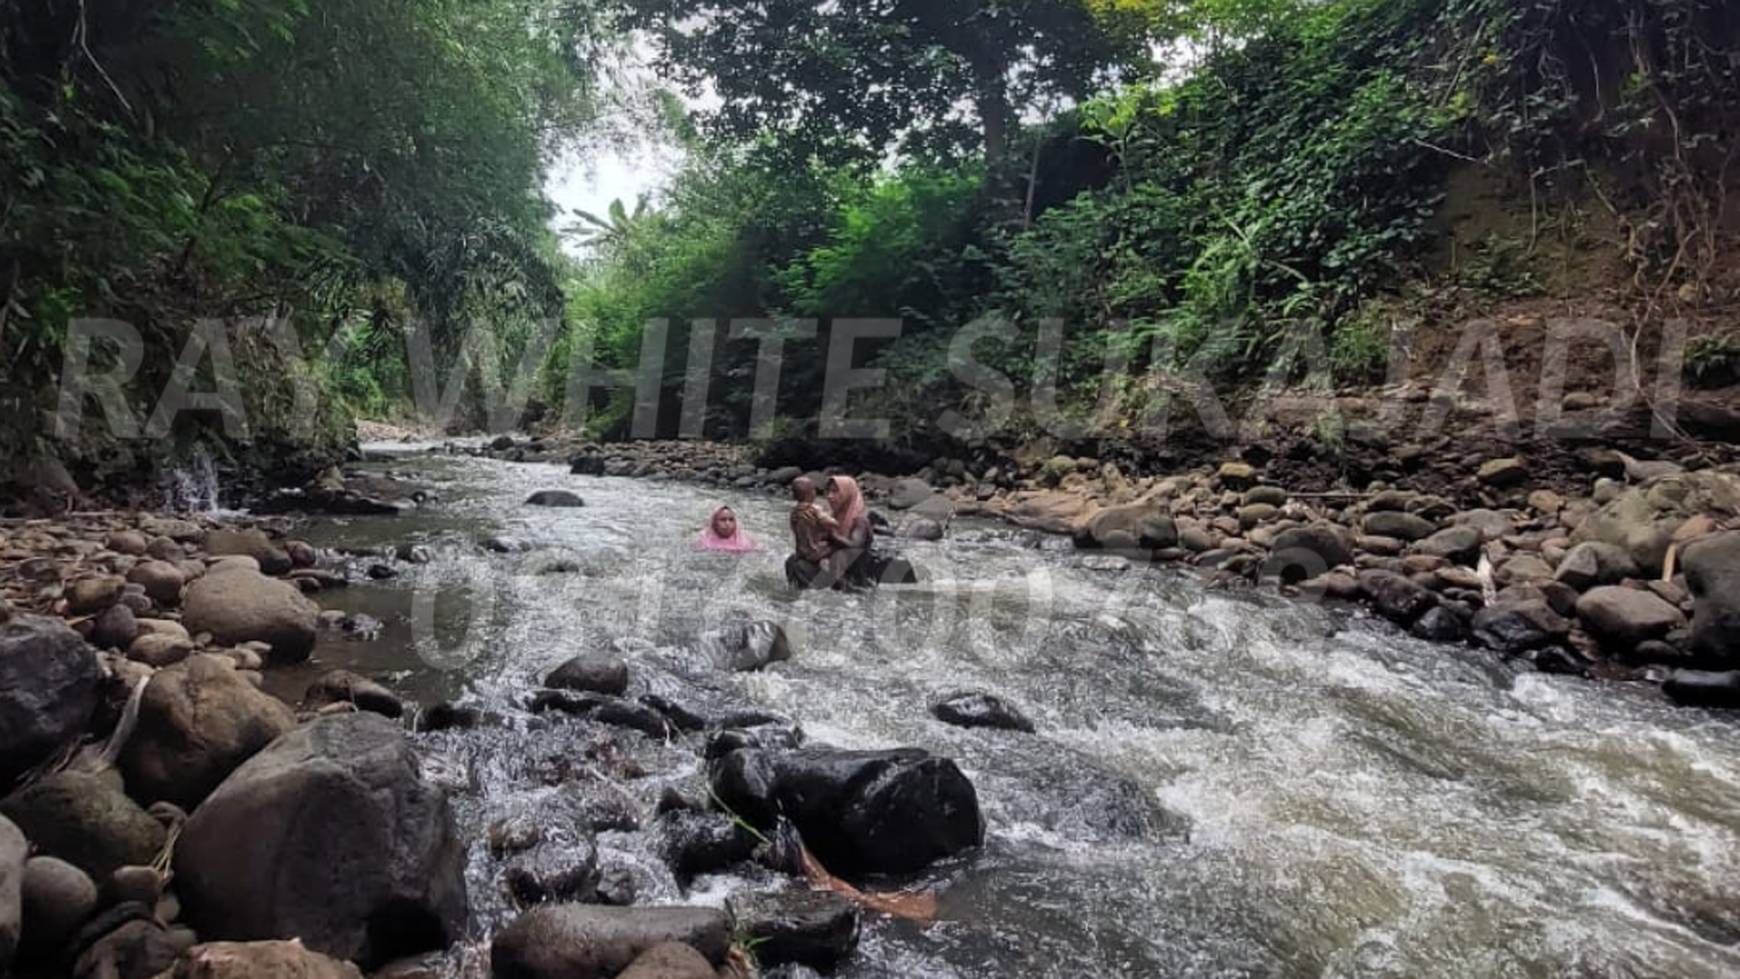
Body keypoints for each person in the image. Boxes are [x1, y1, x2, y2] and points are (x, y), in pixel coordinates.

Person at [820, 475, 874, 589]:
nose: (829, 496)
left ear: (847, 495)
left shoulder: (860, 520)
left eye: (835, 492)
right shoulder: (831, 517)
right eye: (828, 491)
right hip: (835, 572)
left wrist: (832, 535)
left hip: (857, 580)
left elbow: (855, 546)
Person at [785, 477, 837, 588]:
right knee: (835, 547)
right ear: (809, 494)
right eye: (813, 490)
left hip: (801, 551)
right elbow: (829, 522)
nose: (815, 492)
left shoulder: (794, 510)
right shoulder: (814, 508)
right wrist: (837, 521)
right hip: (814, 551)